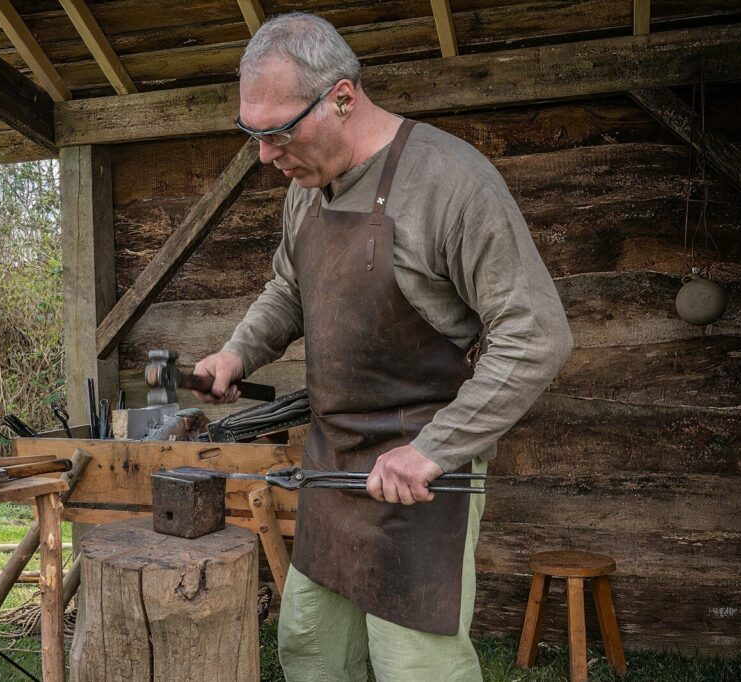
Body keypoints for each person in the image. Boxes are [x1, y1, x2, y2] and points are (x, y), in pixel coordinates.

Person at [192, 12, 573, 681]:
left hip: (421, 483)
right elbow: (290, 285)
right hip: (330, 470)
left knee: (415, 669)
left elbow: (536, 333)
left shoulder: (450, 182)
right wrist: (237, 352)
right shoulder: (305, 191)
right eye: (251, 133)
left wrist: (433, 450)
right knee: (311, 654)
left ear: (342, 96)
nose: (264, 154)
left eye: (278, 131)